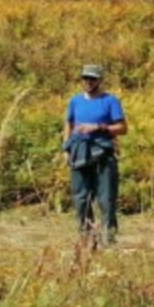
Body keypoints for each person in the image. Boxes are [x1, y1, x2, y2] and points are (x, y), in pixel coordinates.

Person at [63, 64, 128, 244]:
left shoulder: (110, 101)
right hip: (79, 152)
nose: (88, 82)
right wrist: (66, 149)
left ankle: (109, 237)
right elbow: (68, 124)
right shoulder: (74, 101)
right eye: (85, 78)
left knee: (106, 198)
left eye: (92, 79)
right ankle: (87, 237)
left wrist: (99, 127)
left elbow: (123, 128)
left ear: (100, 80)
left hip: (103, 154)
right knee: (80, 197)